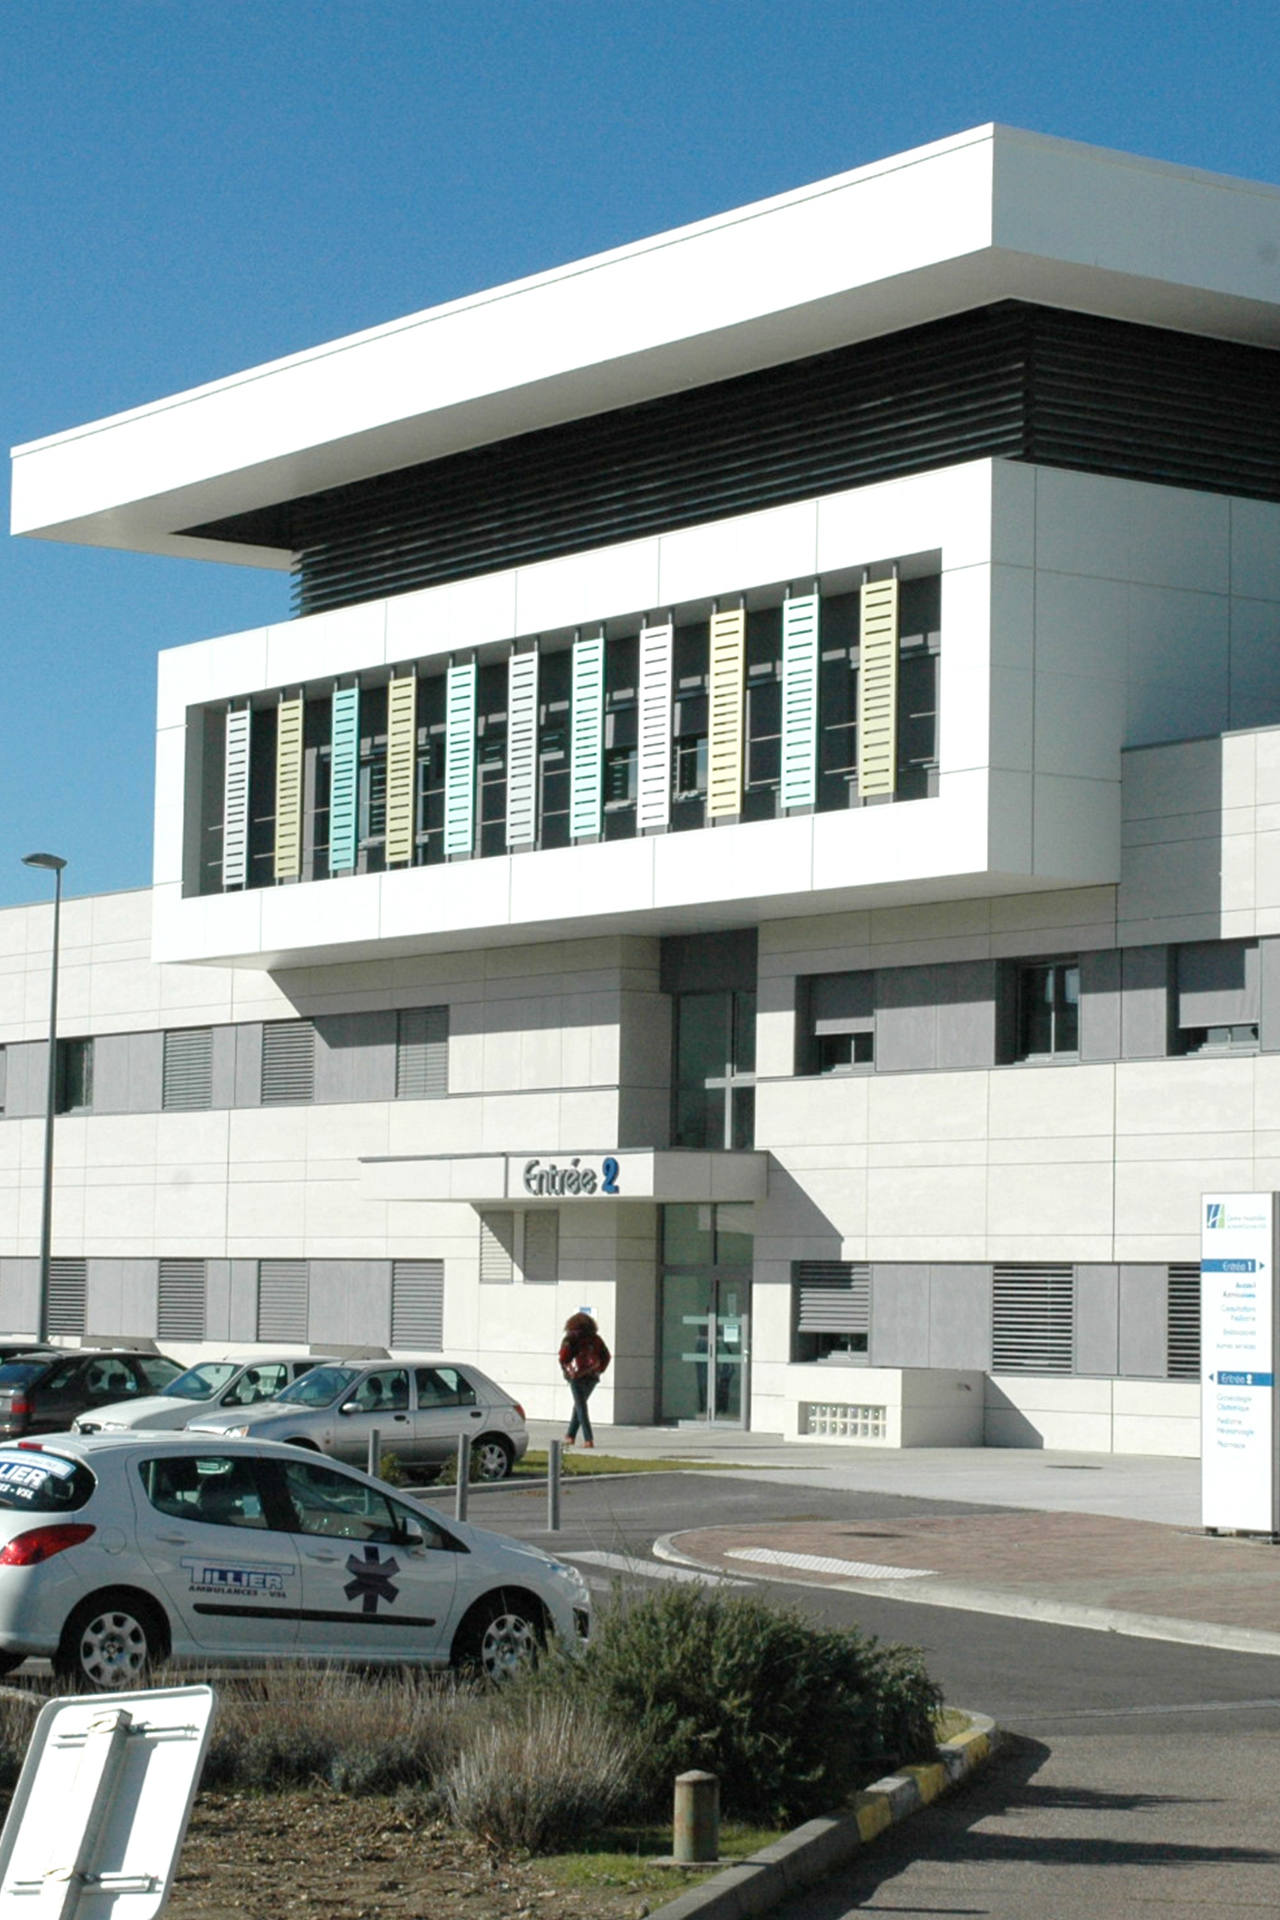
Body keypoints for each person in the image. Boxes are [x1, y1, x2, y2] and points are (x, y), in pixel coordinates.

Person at [559, 1311, 611, 1448]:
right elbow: (606, 1356)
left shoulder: (570, 1339)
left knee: (580, 1406)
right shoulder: (596, 1339)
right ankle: (570, 1435)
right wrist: (598, 1369)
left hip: (576, 1377)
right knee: (579, 1405)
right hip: (592, 1376)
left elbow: (563, 1358)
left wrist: (568, 1372)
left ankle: (588, 1439)